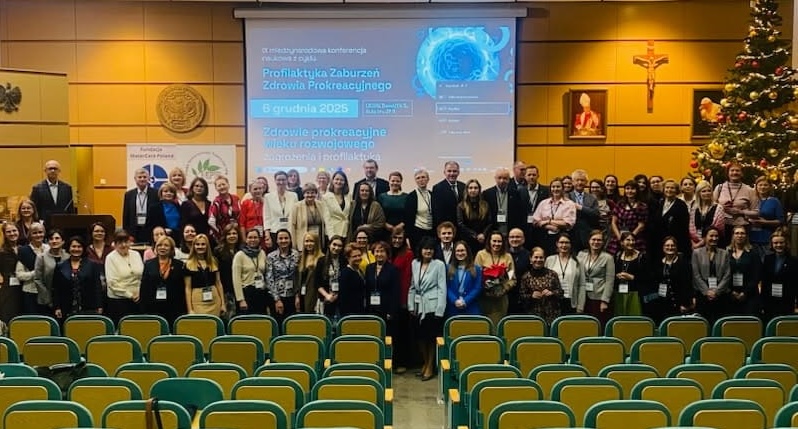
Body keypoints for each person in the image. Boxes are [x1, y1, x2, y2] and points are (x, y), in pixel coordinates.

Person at [409, 236, 447, 381]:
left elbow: (442, 287)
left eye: (431, 249)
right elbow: (413, 285)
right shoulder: (415, 263)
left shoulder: (439, 265)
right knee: (420, 338)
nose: (428, 251)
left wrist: (440, 309)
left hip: (432, 305)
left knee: (430, 338)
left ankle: (430, 366)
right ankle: (425, 362)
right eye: (426, 248)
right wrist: (411, 305)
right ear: (421, 250)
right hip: (418, 305)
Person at [52, 236, 103, 321]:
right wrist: (57, 307)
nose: (76, 249)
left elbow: (97, 287)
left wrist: (99, 306)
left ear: (83, 248)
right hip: (66, 308)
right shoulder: (60, 266)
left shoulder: (92, 265)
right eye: (73, 246)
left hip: (88, 307)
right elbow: (56, 288)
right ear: (69, 248)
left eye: (79, 246)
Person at [645, 236, 693, 324]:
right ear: (663, 247)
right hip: (661, 303)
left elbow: (687, 284)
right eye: (667, 245)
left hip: (678, 304)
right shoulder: (658, 264)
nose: (670, 248)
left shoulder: (683, 263)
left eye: (672, 245)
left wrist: (685, 303)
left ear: (676, 247)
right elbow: (654, 283)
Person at [139, 236, 185, 326]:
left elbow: (181, 288)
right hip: (153, 307)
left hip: (173, 307)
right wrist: (143, 310)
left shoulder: (179, 265)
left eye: (166, 245)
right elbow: (144, 288)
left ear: (171, 248)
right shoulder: (149, 264)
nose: (162, 247)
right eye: (159, 245)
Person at [474, 231, 516, 327]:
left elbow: (512, 278)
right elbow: (476, 276)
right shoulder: (481, 255)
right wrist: (485, 287)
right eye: (494, 241)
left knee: (497, 327)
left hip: (500, 299)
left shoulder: (508, 256)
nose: (497, 244)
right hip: (484, 298)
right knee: (483, 327)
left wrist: (503, 289)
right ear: (489, 241)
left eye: (499, 241)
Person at [691, 227, 731, 324]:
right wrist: (707, 291)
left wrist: (716, 292)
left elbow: (727, 274)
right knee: (703, 324)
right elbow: (696, 275)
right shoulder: (696, 253)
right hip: (702, 294)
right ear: (705, 237)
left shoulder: (724, 253)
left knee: (719, 323)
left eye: (716, 236)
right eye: (711, 236)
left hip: (720, 294)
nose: (714, 238)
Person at [713, 162, 758, 248]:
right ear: (728, 173)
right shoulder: (719, 188)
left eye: (737, 170)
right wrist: (721, 207)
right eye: (732, 170)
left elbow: (756, 212)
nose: (734, 173)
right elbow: (712, 207)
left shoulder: (749, 190)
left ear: (742, 173)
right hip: (722, 227)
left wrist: (740, 212)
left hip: (742, 228)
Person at [390, 226, 415, 374]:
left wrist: (405, 301)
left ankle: (402, 361)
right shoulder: (387, 252)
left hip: (402, 298)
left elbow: (407, 278)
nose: (397, 240)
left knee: (401, 333)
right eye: (395, 237)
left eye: (400, 238)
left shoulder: (408, 254)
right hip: (388, 298)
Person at [577, 230, 615, 328]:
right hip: (582, 296)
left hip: (599, 297)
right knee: (584, 325)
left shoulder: (608, 258)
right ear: (589, 241)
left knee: (598, 325)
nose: (596, 242)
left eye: (599, 240)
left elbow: (610, 281)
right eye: (593, 239)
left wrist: (605, 301)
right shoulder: (581, 255)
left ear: (603, 242)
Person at [105, 230, 144, 324]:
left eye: (126, 242)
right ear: (115, 244)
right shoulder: (110, 258)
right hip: (118, 301)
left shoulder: (136, 254)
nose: (123, 245)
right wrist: (130, 295)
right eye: (120, 242)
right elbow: (112, 283)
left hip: (138, 299)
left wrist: (140, 293)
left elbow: (142, 276)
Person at [532, 177, 577, 256]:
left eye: (558, 187)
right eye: (553, 187)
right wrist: (549, 226)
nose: (555, 189)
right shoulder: (543, 203)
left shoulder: (569, 204)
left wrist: (548, 221)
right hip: (544, 238)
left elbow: (568, 223)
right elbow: (535, 221)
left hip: (562, 237)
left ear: (562, 188)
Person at [760, 231, 798, 323]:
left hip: (786, 300)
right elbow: (764, 281)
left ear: (786, 243)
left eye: (781, 242)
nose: (778, 245)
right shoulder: (768, 259)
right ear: (772, 244)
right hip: (769, 300)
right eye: (775, 243)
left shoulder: (793, 261)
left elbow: (796, 283)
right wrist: (762, 303)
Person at [184, 234, 225, 317]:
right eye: (197, 244)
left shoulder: (214, 261)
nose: (200, 247)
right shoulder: (188, 264)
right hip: (197, 301)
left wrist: (223, 304)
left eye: (203, 244)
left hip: (214, 300)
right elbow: (188, 288)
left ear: (207, 246)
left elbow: (218, 283)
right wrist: (190, 309)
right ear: (193, 246)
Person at [519, 247, 563, 324]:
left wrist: (552, 293)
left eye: (541, 257)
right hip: (533, 316)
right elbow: (521, 296)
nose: (538, 260)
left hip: (552, 316)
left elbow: (560, 292)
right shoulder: (525, 277)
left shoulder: (552, 274)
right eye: (536, 257)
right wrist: (531, 296)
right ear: (530, 259)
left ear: (545, 259)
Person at [545, 233, 586, 315]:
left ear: (570, 244)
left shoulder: (578, 261)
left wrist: (580, 306)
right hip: (553, 300)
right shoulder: (549, 260)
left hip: (571, 301)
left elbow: (582, 285)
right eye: (561, 242)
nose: (564, 245)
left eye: (567, 242)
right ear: (557, 244)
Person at [266, 229, 300, 326]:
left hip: (292, 295)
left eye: (286, 238)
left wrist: (297, 296)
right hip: (277, 296)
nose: (283, 240)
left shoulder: (296, 255)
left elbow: (298, 277)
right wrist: (277, 300)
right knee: (279, 324)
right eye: (280, 238)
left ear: (290, 240)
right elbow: (269, 279)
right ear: (276, 241)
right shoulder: (271, 256)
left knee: (292, 325)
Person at [232, 228, 269, 315]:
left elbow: (266, 274)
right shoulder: (239, 255)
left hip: (261, 292)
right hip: (246, 294)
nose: (253, 240)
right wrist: (241, 300)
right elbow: (236, 279)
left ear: (259, 239)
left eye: (255, 237)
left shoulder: (262, 253)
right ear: (246, 239)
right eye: (250, 237)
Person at [30, 160, 76, 226]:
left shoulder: (67, 188)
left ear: (59, 171)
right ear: (45, 171)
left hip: (63, 224)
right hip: (44, 225)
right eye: (50, 168)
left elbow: (70, 209)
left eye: (55, 168)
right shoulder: (37, 188)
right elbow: (34, 208)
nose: (53, 171)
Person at [727, 226, 761, 316]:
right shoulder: (726, 252)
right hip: (730, 295)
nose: (740, 235)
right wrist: (731, 292)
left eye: (742, 233)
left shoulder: (753, 253)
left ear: (746, 236)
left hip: (750, 295)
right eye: (737, 233)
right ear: (733, 236)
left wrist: (745, 292)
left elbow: (756, 275)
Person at [608, 180, 648, 255]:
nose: (630, 191)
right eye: (627, 188)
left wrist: (629, 239)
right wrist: (620, 238)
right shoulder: (620, 204)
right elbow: (613, 222)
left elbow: (641, 225)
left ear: (637, 190)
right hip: (619, 237)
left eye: (632, 189)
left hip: (635, 238)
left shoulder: (642, 206)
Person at [364, 241, 400, 323]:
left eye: (382, 251)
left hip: (386, 308)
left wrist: (391, 311)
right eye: (377, 251)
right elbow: (367, 288)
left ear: (387, 254)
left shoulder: (393, 269)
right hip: (371, 308)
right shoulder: (369, 268)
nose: (379, 254)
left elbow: (395, 292)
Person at [34, 229, 68, 315]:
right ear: (48, 242)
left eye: (57, 238)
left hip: (65, 299)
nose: (54, 241)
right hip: (46, 299)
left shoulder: (68, 257)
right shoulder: (41, 257)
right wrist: (47, 298)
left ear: (63, 241)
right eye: (51, 239)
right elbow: (37, 279)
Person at [613, 231, 647, 316]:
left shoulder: (641, 257)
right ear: (622, 242)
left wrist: (632, 277)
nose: (631, 242)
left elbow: (647, 277)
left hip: (635, 294)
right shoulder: (617, 255)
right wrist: (616, 275)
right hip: (619, 293)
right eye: (628, 240)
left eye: (633, 240)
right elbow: (612, 273)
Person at [750, 176, 784, 257]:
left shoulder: (774, 201)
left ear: (769, 187)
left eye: (765, 185)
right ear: (756, 186)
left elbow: (780, 221)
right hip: (751, 238)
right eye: (760, 185)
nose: (762, 187)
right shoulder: (750, 200)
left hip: (767, 238)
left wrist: (764, 222)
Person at [122, 168, 159, 243]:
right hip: (134, 232)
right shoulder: (129, 194)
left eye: (144, 177)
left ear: (148, 178)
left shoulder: (156, 193)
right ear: (135, 179)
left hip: (151, 231)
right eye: (140, 177)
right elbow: (126, 215)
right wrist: (127, 233)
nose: (142, 179)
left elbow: (158, 214)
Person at [483, 168, 524, 237]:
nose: (502, 181)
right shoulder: (487, 194)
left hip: (510, 231)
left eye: (505, 178)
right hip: (492, 231)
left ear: (509, 179)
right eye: (499, 178)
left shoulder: (515, 193)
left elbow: (519, 214)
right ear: (495, 178)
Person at [16, 222, 46, 315]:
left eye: (40, 232)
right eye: (34, 233)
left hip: (47, 293)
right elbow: (19, 275)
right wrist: (35, 273)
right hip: (30, 292)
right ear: (30, 235)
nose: (38, 235)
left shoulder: (49, 249)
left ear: (44, 233)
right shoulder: (23, 251)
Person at [446, 241, 482, 316]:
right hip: (453, 308)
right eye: (458, 251)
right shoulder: (448, 268)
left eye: (462, 250)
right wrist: (454, 300)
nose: (460, 253)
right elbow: (447, 287)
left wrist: (465, 301)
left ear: (467, 252)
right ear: (454, 253)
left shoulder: (476, 269)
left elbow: (477, 288)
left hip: (471, 307)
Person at [568, 169, 601, 254]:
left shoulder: (592, 198)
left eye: (582, 180)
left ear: (586, 182)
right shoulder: (567, 196)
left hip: (587, 234)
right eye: (577, 180)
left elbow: (596, 214)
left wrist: (581, 208)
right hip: (571, 234)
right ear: (572, 182)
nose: (579, 183)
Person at [457, 179, 493, 254]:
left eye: (476, 188)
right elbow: (460, 224)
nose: (473, 190)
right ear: (467, 190)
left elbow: (489, 222)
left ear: (479, 190)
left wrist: (483, 234)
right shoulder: (461, 206)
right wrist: (475, 235)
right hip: (467, 240)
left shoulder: (485, 205)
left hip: (483, 240)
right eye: (470, 188)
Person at [315, 235, 345, 318]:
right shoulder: (321, 261)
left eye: (339, 246)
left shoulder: (344, 261)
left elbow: (346, 282)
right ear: (329, 245)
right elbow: (317, 282)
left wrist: (337, 295)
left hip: (340, 299)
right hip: (325, 298)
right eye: (334, 244)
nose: (336, 248)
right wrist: (327, 296)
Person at [214, 224, 241, 318]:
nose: (232, 236)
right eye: (229, 234)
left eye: (234, 233)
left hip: (240, 289)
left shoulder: (242, 250)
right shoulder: (218, 251)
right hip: (225, 289)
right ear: (225, 236)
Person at [264, 171, 299, 245]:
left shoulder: (294, 196)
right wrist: (267, 235)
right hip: (274, 231)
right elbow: (267, 217)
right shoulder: (268, 197)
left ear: (287, 180)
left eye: (283, 180)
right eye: (279, 180)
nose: (281, 182)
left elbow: (296, 215)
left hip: (290, 231)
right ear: (275, 181)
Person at [404, 169, 435, 250]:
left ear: (428, 179)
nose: (421, 180)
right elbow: (408, 218)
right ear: (415, 181)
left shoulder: (432, 195)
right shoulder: (411, 196)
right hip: (417, 232)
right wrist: (407, 237)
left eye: (423, 177)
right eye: (418, 178)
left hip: (432, 231)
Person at [290, 183, 327, 251]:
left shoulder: (321, 205)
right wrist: (293, 244)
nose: (310, 195)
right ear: (303, 194)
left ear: (316, 194)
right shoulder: (297, 206)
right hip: (303, 242)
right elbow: (292, 225)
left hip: (318, 241)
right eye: (307, 193)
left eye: (312, 193)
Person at [690, 180, 726, 250]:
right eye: (703, 191)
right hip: (695, 243)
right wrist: (693, 243)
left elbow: (718, 229)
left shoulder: (718, 208)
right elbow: (690, 226)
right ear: (698, 193)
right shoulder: (693, 207)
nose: (707, 193)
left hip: (713, 243)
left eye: (709, 191)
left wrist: (699, 244)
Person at [431, 161, 466, 232]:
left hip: (463, 228)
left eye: (454, 171)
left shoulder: (464, 186)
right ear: (444, 172)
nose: (452, 174)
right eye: (449, 171)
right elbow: (437, 212)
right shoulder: (438, 188)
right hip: (447, 228)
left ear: (458, 172)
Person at [208, 175, 241, 244]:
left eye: (223, 184)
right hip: (223, 237)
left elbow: (241, 215)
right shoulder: (216, 202)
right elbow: (211, 221)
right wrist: (220, 234)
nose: (222, 187)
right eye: (219, 185)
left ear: (228, 185)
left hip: (236, 234)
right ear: (216, 188)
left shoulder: (236, 199)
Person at [338, 243, 366, 317]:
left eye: (359, 255)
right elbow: (343, 298)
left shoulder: (359, 270)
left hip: (360, 311)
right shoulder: (345, 273)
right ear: (348, 258)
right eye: (354, 256)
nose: (358, 258)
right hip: (351, 314)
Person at [322, 171, 352, 241]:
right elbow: (327, 218)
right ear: (332, 181)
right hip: (332, 232)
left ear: (345, 182)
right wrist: (332, 236)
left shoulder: (349, 196)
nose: (339, 182)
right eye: (337, 179)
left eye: (341, 180)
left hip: (346, 232)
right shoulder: (326, 197)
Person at [0, 223, 21, 323]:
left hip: (23, 287)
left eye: (14, 230)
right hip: (8, 289)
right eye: (8, 232)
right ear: (4, 234)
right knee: (9, 316)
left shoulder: (24, 249)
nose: (12, 233)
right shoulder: (1, 252)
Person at [298, 232, 323, 313]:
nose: (308, 243)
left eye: (311, 241)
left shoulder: (321, 259)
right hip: (302, 294)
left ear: (316, 243)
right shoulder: (301, 258)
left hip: (314, 296)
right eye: (306, 241)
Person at [378, 171, 407, 237]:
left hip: (402, 231)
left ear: (401, 182)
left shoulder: (406, 197)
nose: (395, 183)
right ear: (389, 182)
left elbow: (409, 214)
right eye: (393, 181)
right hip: (385, 230)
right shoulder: (381, 197)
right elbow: (378, 214)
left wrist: (401, 225)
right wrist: (385, 224)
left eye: (397, 181)